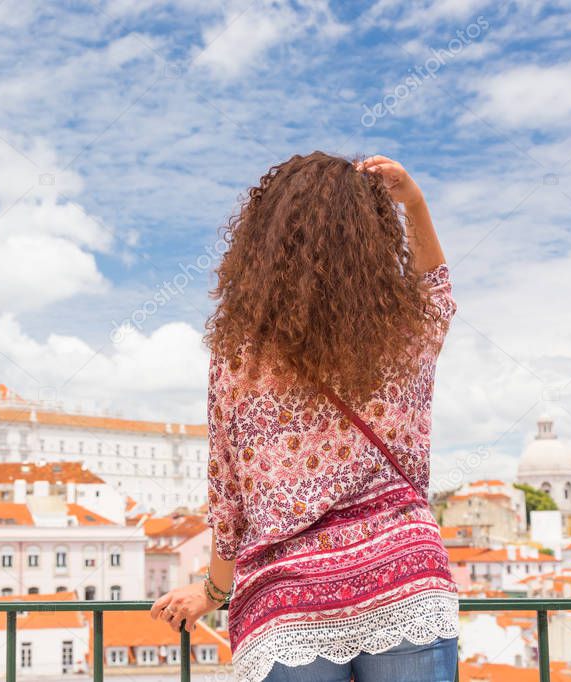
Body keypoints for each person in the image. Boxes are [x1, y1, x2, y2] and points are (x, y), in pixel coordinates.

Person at [150, 152, 459, 682]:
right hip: (402, 578)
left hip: (288, 600)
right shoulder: (404, 334)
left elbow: (229, 497)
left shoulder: (240, 358)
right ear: (372, 241)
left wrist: (213, 593)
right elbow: (437, 290)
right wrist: (414, 200)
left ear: (264, 244)